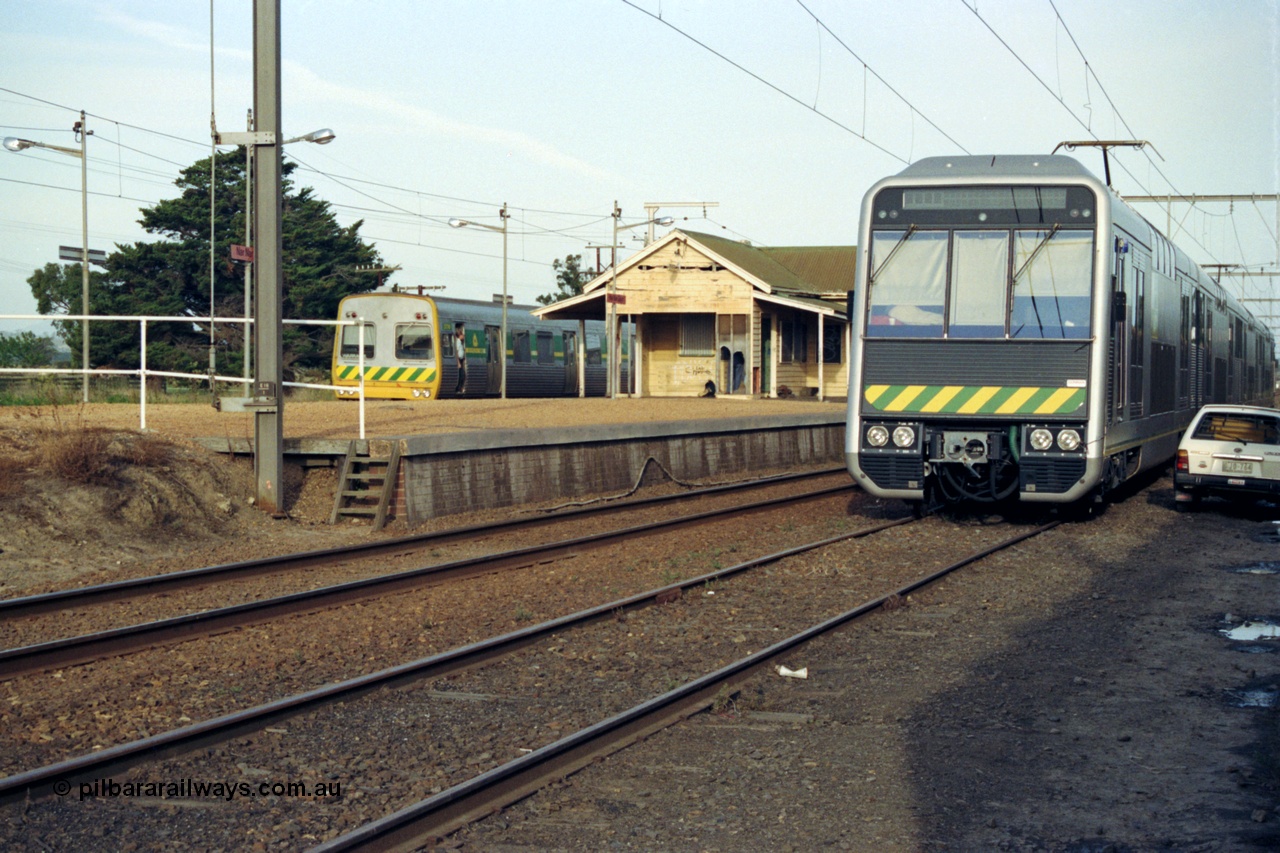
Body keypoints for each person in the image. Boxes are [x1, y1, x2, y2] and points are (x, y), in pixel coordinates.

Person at [454, 324, 466, 394]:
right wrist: (458, 362)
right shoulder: (458, 342)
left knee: (462, 375)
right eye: (462, 335)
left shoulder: (460, 342)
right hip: (459, 361)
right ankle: (458, 389)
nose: (463, 336)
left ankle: (460, 388)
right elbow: (457, 352)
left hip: (461, 360)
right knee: (461, 376)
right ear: (460, 335)